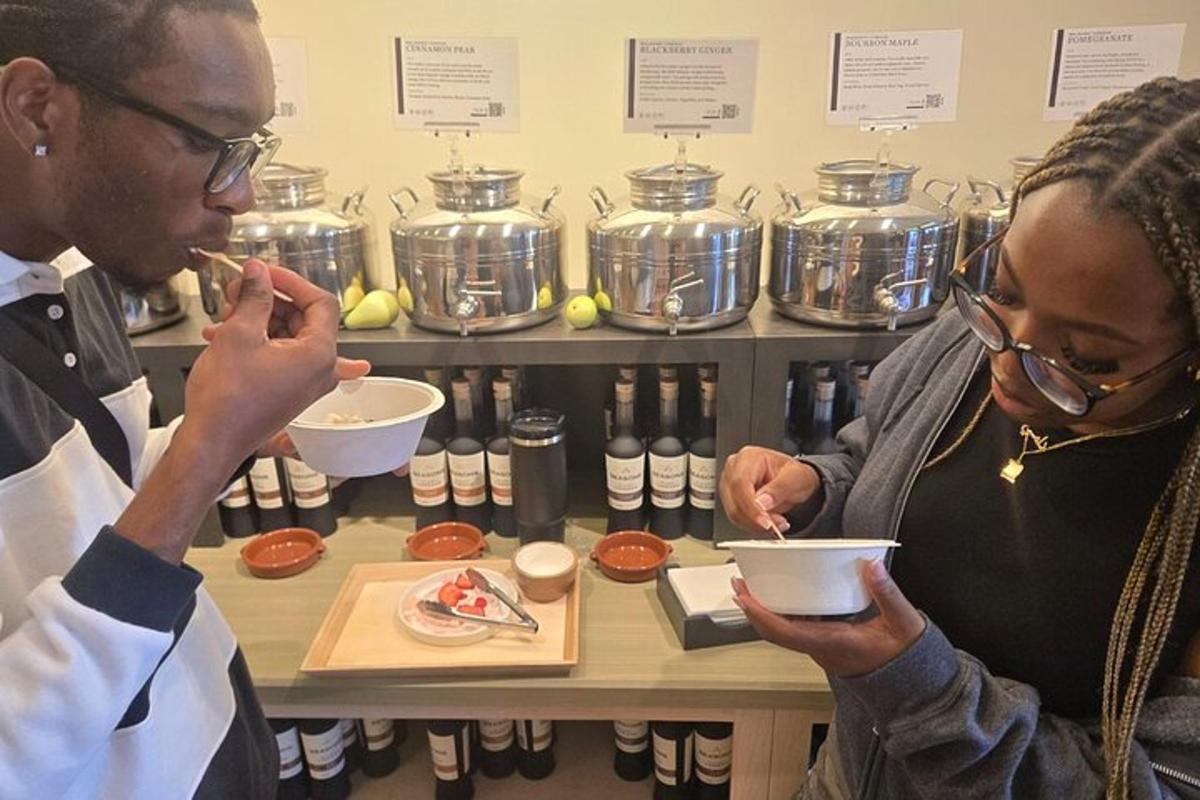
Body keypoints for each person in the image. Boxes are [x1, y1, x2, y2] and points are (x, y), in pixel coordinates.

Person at [721, 77, 1200, 799]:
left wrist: (921, 692)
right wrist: (815, 487)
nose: (1008, 367)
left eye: (1087, 359)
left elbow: (1162, 786)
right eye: (1003, 289)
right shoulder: (973, 340)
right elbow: (872, 454)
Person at [0, 1, 368, 797]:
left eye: (248, 151)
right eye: (205, 141)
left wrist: (233, 430)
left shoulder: (73, 266)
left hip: (209, 741)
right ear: (36, 105)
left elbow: (101, 504)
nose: (239, 197)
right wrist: (203, 455)